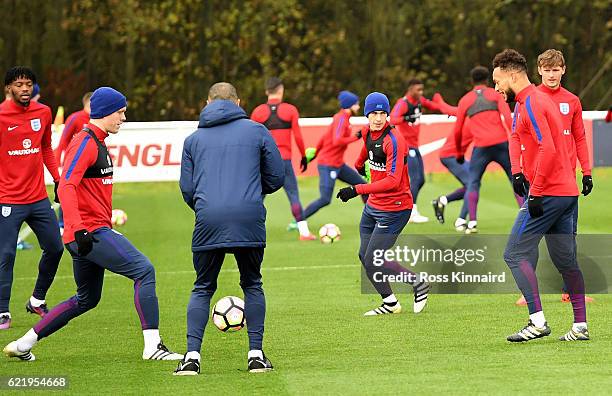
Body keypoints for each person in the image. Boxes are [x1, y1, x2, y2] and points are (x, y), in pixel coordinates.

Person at [4, 87, 182, 361]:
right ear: (106, 113)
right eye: (120, 112)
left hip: (90, 231)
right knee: (144, 271)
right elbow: (65, 185)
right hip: (89, 233)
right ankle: (153, 347)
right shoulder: (86, 141)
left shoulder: (97, 141)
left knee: (86, 299)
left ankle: (23, 344)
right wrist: (79, 228)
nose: (124, 117)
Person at [176, 82, 284, 375]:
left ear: (207, 102)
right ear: (239, 102)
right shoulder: (257, 130)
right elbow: (277, 177)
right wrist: (250, 194)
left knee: (202, 287)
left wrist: (205, 208)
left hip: (208, 219)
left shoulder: (193, 140)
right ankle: (256, 355)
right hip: (248, 217)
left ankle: (191, 359)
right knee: (252, 283)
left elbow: (187, 189)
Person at [493, 49, 589, 342]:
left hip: (548, 193)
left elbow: (547, 146)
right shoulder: (532, 100)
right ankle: (580, 326)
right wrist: (518, 171)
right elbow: (524, 140)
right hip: (565, 193)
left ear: (512, 75)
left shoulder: (533, 102)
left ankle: (537, 321)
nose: (497, 88)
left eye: (498, 80)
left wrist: (535, 192)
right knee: (566, 261)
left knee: (513, 253)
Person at [336, 92, 429, 316]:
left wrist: (356, 188)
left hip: (396, 208)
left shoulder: (395, 141)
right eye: (374, 113)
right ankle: (390, 303)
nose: (378, 118)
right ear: (367, 114)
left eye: (382, 113)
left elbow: (392, 181)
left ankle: (419, 283)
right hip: (373, 206)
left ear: (387, 114)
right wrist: (359, 166)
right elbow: (365, 153)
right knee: (364, 256)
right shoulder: (367, 131)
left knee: (372, 259)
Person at [514, 49, 595, 306]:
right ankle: (528, 293)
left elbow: (579, 137)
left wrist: (587, 172)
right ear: (539, 71)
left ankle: (569, 291)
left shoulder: (571, 101)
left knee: (568, 237)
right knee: (530, 237)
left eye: (556, 69)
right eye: (547, 70)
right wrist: (516, 170)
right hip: (537, 180)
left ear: (563, 70)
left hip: (566, 182)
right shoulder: (528, 99)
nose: (551, 74)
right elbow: (515, 136)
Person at [0, 66, 63, 329]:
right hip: (8, 199)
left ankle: (37, 299)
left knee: (56, 248)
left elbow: (46, 147)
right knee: (5, 255)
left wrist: (58, 179)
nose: (24, 88)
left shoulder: (43, 112)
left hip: (38, 198)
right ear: (8, 89)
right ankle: (2, 311)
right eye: (18, 84)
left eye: (28, 84)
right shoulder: (1, 116)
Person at [451, 66, 523, 234]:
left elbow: (457, 130)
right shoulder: (494, 94)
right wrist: (514, 140)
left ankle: (473, 222)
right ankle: (525, 215)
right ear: (487, 80)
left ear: (471, 81)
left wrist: (460, 153)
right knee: (515, 178)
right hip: (501, 143)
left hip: (481, 147)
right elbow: (507, 118)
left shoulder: (465, 100)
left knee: (473, 183)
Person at [251, 77, 314, 240]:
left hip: (264, 161)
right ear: (281, 90)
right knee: (293, 194)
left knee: (256, 197)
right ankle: (304, 233)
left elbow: (251, 139)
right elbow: (298, 137)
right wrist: (303, 157)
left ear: (266, 92)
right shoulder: (290, 110)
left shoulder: (258, 112)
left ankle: (247, 231)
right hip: (284, 160)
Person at [389, 79, 449, 223]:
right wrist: (405, 118)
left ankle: (405, 208)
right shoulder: (403, 103)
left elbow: (434, 106)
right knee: (416, 178)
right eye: (418, 90)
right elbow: (392, 119)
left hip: (414, 146)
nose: (421, 92)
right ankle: (410, 211)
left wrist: (445, 108)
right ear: (410, 89)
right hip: (406, 146)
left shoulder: (420, 101)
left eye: (422, 89)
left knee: (420, 180)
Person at [302, 90, 367, 219]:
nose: (359, 106)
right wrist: (357, 137)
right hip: (328, 165)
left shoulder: (344, 119)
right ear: (350, 105)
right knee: (325, 199)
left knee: (364, 188)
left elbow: (324, 138)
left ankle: (372, 217)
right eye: (357, 104)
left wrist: (315, 152)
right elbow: (337, 141)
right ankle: (298, 220)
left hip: (338, 164)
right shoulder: (341, 118)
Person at [54, 92, 93, 230]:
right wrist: (58, 161)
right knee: (69, 189)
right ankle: (61, 224)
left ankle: (86, 222)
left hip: (89, 164)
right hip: (73, 162)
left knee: (87, 193)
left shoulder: (97, 120)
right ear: (88, 103)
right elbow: (63, 140)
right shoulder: (75, 118)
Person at [432, 112, 474, 231]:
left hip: (454, 156)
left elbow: (455, 109)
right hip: (450, 156)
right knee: (472, 185)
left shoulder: (469, 114)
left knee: (471, 185)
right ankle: (460, 221)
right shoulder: (476, 120)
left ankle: (443, 200)